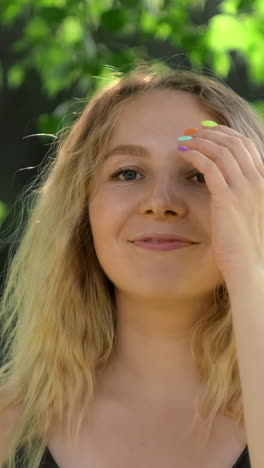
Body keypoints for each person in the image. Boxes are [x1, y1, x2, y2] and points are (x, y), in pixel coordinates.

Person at [1, 62, 261, 467]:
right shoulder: (7, 425)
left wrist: (251, 267)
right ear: (82, 208)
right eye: (128, 173)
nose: (161, 202)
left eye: (199, 176)